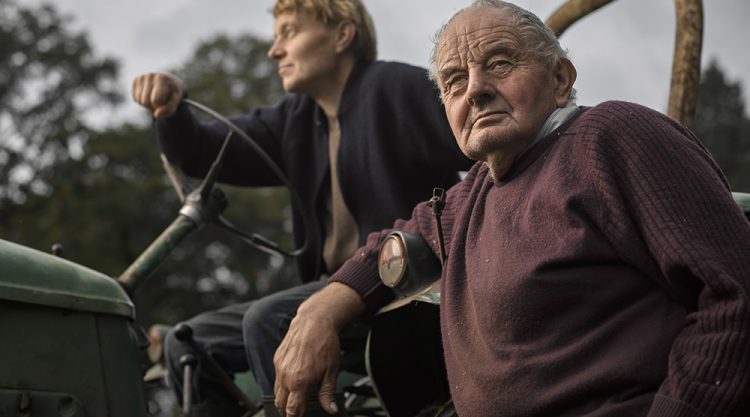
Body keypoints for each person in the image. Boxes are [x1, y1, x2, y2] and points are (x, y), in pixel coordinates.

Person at [272, 1, 750, 416]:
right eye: (454, 82)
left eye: (499, 64)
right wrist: (320, 310)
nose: (475, 90)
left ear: (560, 78)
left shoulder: (611, 137)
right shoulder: (476, 191)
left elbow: (735, 293)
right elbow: (397, 242)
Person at [131, 0, 472, 416]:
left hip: (404, 288)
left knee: (270, 320)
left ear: (342, 35)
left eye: (289, 32)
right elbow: (202, 149)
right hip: (329, 288)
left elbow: (485, 148)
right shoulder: (294, 119)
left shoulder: (397, 89)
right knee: (187, 341)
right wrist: (171, 111)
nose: (275, 50)